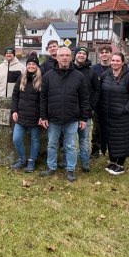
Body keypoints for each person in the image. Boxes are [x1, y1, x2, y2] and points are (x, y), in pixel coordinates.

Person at [39, 46, 90, 182]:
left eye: (67, 55)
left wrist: (84, 118)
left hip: (72, 118)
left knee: (71, 146)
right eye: (62, 55)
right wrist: (43, 116)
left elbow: (84, 98)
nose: (65, 58)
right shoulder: (48, 76)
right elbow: (43, 98)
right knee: (52, 144)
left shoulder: (78, 76)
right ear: (57, 57)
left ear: (71, 58)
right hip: (53, 118)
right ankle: (51, 167)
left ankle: (71, 169)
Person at [97, 52, 129, 176]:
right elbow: (100, 91)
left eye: (117, 61)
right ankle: (113, 161)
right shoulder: (106, 75)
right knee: (111, 138)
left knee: (122, 140)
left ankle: (120, 164)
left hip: (123, 116)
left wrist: (125, 109)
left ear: (122, 62)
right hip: (107, 115)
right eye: (113, 60)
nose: (115, 63)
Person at [9, 52, 42, 173]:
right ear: (26, 65)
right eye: (29, 64)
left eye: (34, 64)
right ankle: (22, 160)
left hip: (35, 117)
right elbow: (15, 96)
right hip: (21, 116)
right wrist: (14, 110)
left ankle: (31, 162)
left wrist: (42, 116)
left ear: (37, 66)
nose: (31, 66)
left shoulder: (41, 80)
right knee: (16, 139)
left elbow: (43, 100)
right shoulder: (21, 78)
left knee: (35, 140)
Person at [72, 47, 100, 173]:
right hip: (71, 111)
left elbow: (97, 90)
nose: (81, 55)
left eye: (84, 53)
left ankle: (85, 161)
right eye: (79, 53)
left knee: (83, 138)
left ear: (86, 56)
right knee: (70, 139)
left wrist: (91, 105)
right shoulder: (69, 69)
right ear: (75, 55)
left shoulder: (91, 72)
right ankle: (70, 161)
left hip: (85, 111)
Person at [90, 45, 112, 159]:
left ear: (110, 53)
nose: (104, 54)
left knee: (111, 128)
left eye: (106, 52)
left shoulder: (115, 66)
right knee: (97, 129)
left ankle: (111, 149)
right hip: (98, 104)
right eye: (102, 52)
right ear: (99, 55)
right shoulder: (94, 69)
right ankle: (95, 149)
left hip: (112, 103)